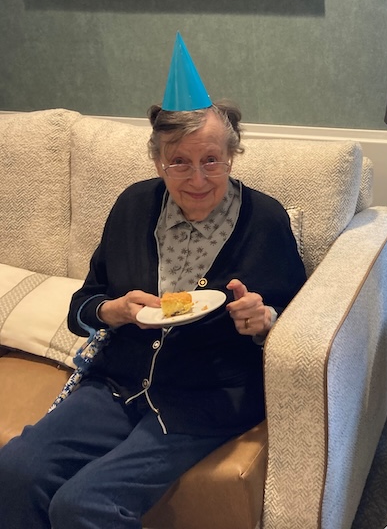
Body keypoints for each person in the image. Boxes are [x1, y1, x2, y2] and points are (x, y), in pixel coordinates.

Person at [0, 33, 307, 528]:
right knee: (15, 470)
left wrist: (263, 319)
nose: (198, 179)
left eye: (211, 160)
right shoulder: (133, 206)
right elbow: (85, 303)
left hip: (205, 397)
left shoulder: (265, 220)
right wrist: (113, 311)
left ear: (232, 155)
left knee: (82, 504)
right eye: (178, 162)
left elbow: (296, 320)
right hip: (116, 383)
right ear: (157, 161)